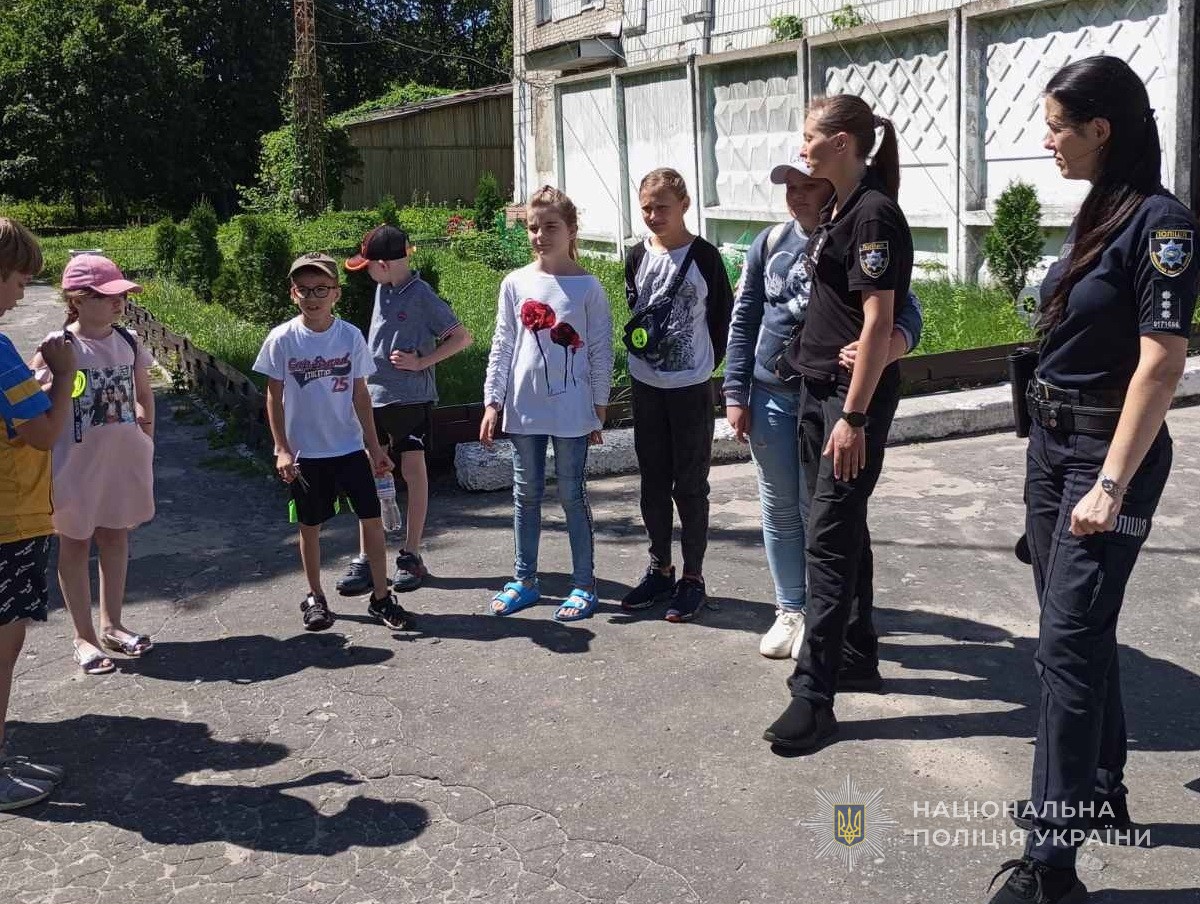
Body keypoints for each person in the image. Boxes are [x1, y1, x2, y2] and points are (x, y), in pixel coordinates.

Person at [985, 56, 1199, 904]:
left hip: (1106, 458)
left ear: (1100, 130)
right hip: (1052, 446)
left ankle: (1050, 865)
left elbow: (1162, 362)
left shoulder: (1162, 223)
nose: (1047, 142)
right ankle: (1097, 785)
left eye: (1056, 127)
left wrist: (1109, 485)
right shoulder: (1099, 209)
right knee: (1075, 631)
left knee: (1065, 650)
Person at [724, 152, 923, 660]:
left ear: (830, 187)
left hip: (827, 396)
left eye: (806, 186)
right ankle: (789, 608)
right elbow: (745, 317)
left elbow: (905, 310)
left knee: (824, 511)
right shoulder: (769, 243)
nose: (795, 196)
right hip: (771, 393)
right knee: (779, 506)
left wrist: (893, 345)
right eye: (788, 186)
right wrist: (735, 390)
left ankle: (822, 615)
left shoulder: (854, 234)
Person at [762, 94, 912, 751]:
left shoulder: (874, 213)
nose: (803, 147)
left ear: (843, 143)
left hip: (848, 405)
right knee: (843, 529)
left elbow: (881, 317)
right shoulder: (842, 208)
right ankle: (856, 652)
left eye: (810, 137)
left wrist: (853, 415)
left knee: (826, 539)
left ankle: (814, 697)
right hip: (816, 389)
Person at [253, 252, 408, 632]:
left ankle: (381, 597)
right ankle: (315, 596)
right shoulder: (282, 339)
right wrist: (281, 448)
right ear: (293, 294)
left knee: (372, 520)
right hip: (306, 454)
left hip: (350, 448)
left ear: (336, 293)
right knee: (310, 526)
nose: (313, 297)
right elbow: (273, 395)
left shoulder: (349, 336)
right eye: (304, 290)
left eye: (321, 289)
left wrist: (375, 447)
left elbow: (361, 394)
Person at [480, 186, 614, 621]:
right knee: (526, 494)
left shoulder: (588, 287)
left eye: (550, 226)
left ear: (571, 229)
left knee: (572, 493)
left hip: (572, 412)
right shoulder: (515, 283)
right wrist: (493, 401)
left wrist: (599, 405)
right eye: (533, 227)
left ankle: (584, 584)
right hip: (524, 408)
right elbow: (503, 344)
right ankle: (525, 580)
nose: (540, 235)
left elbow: (600, 349)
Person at [31, 255, 156, 675]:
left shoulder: (128, 341)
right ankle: (83, 637)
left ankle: (112, 624)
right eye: (106, 296)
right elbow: (39, 404)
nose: (118, 302)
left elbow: (143, 393)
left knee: (115, 537)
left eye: (121, 295)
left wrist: (146, 437)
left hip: (120, 463)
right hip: (73, 466)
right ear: (77, 300)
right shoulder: (58, 347)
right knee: (75, 543)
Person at [619, 168, 733, 622]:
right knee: (652, 482)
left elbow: (722, 318)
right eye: (646, 208)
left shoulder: (705, 256)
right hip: (646, 385)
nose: (653, 216)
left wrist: (701, 365)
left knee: (690, 485)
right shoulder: (636, 255)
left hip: (690, 388)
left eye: (662, 207)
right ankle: (659, 568)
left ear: (685, 204)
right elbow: (636, 307)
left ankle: (693, 577)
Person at [336, 225, 472, 595]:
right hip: (373, 398)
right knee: (371, 473)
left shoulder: (422, 294)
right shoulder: (384, 289)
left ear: (383, 265)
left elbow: (461, 338)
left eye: (367, 266)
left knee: (412, 472)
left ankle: (411, 554)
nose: (365, 272)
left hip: (411, 400)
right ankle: (367, 556)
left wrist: (422, 362)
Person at [0, 217, 76, 809]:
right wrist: (64, 377)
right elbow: (45, 434)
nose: (22, 296)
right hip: (10, 519)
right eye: (21, 282)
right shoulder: (1, 354)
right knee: (3, 645)